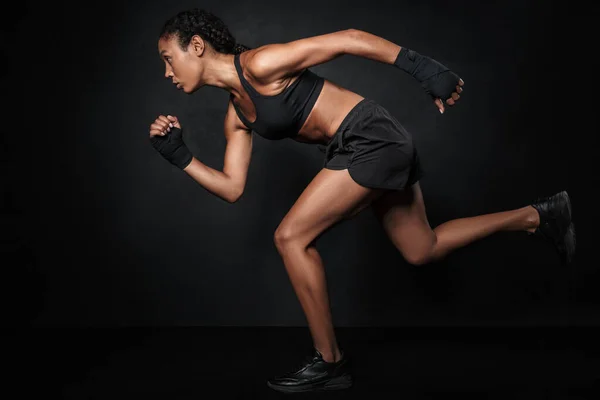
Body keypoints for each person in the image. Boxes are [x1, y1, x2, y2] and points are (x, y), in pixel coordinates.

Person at [148, 8, 576, 394]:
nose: (167, 72)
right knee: (420, 249)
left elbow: (348, 38)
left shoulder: (260, 64)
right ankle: (538, 215)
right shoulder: (236, 115)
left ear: (197, 46)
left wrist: (425, 69)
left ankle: (330, 363)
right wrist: (181, 157)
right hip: (357, 148)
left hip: (370, 138)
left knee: (290, 237)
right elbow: (232, 188)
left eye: (169, 58)